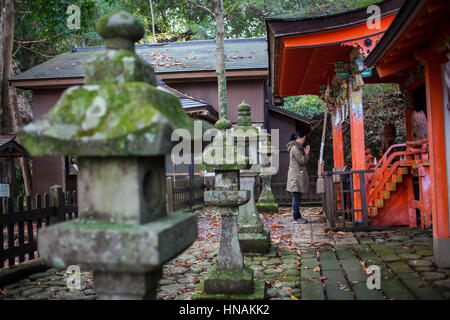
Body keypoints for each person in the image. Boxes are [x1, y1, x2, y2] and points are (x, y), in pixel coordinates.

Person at [286, 131, 310, 224]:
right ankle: (296, 218)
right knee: (296, 197)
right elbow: (302, 161)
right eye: (303, 139)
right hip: (295, 177)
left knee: (297, 197)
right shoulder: (295, 149)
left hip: (296, 176)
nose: (303, 141)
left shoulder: (296, 148)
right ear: (298, 138)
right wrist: (306, 153)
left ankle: (298, 217)